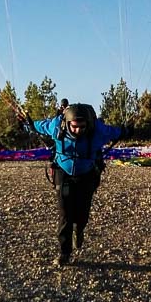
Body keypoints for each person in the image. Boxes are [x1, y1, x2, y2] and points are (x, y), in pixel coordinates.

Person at [28, 103, 122, 267]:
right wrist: (28, 123)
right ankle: (65, 252)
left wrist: (127, 130)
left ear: (88, 124)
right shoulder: (56, 126)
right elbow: (39, 126)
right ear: (67, 123)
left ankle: (79, 229)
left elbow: (115, 131)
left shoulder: (97, 130)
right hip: (63, 172)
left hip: (87, 173)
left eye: (82, 127)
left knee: (82, 211)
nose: (78, 130)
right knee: (65, 214)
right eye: (74, 126)